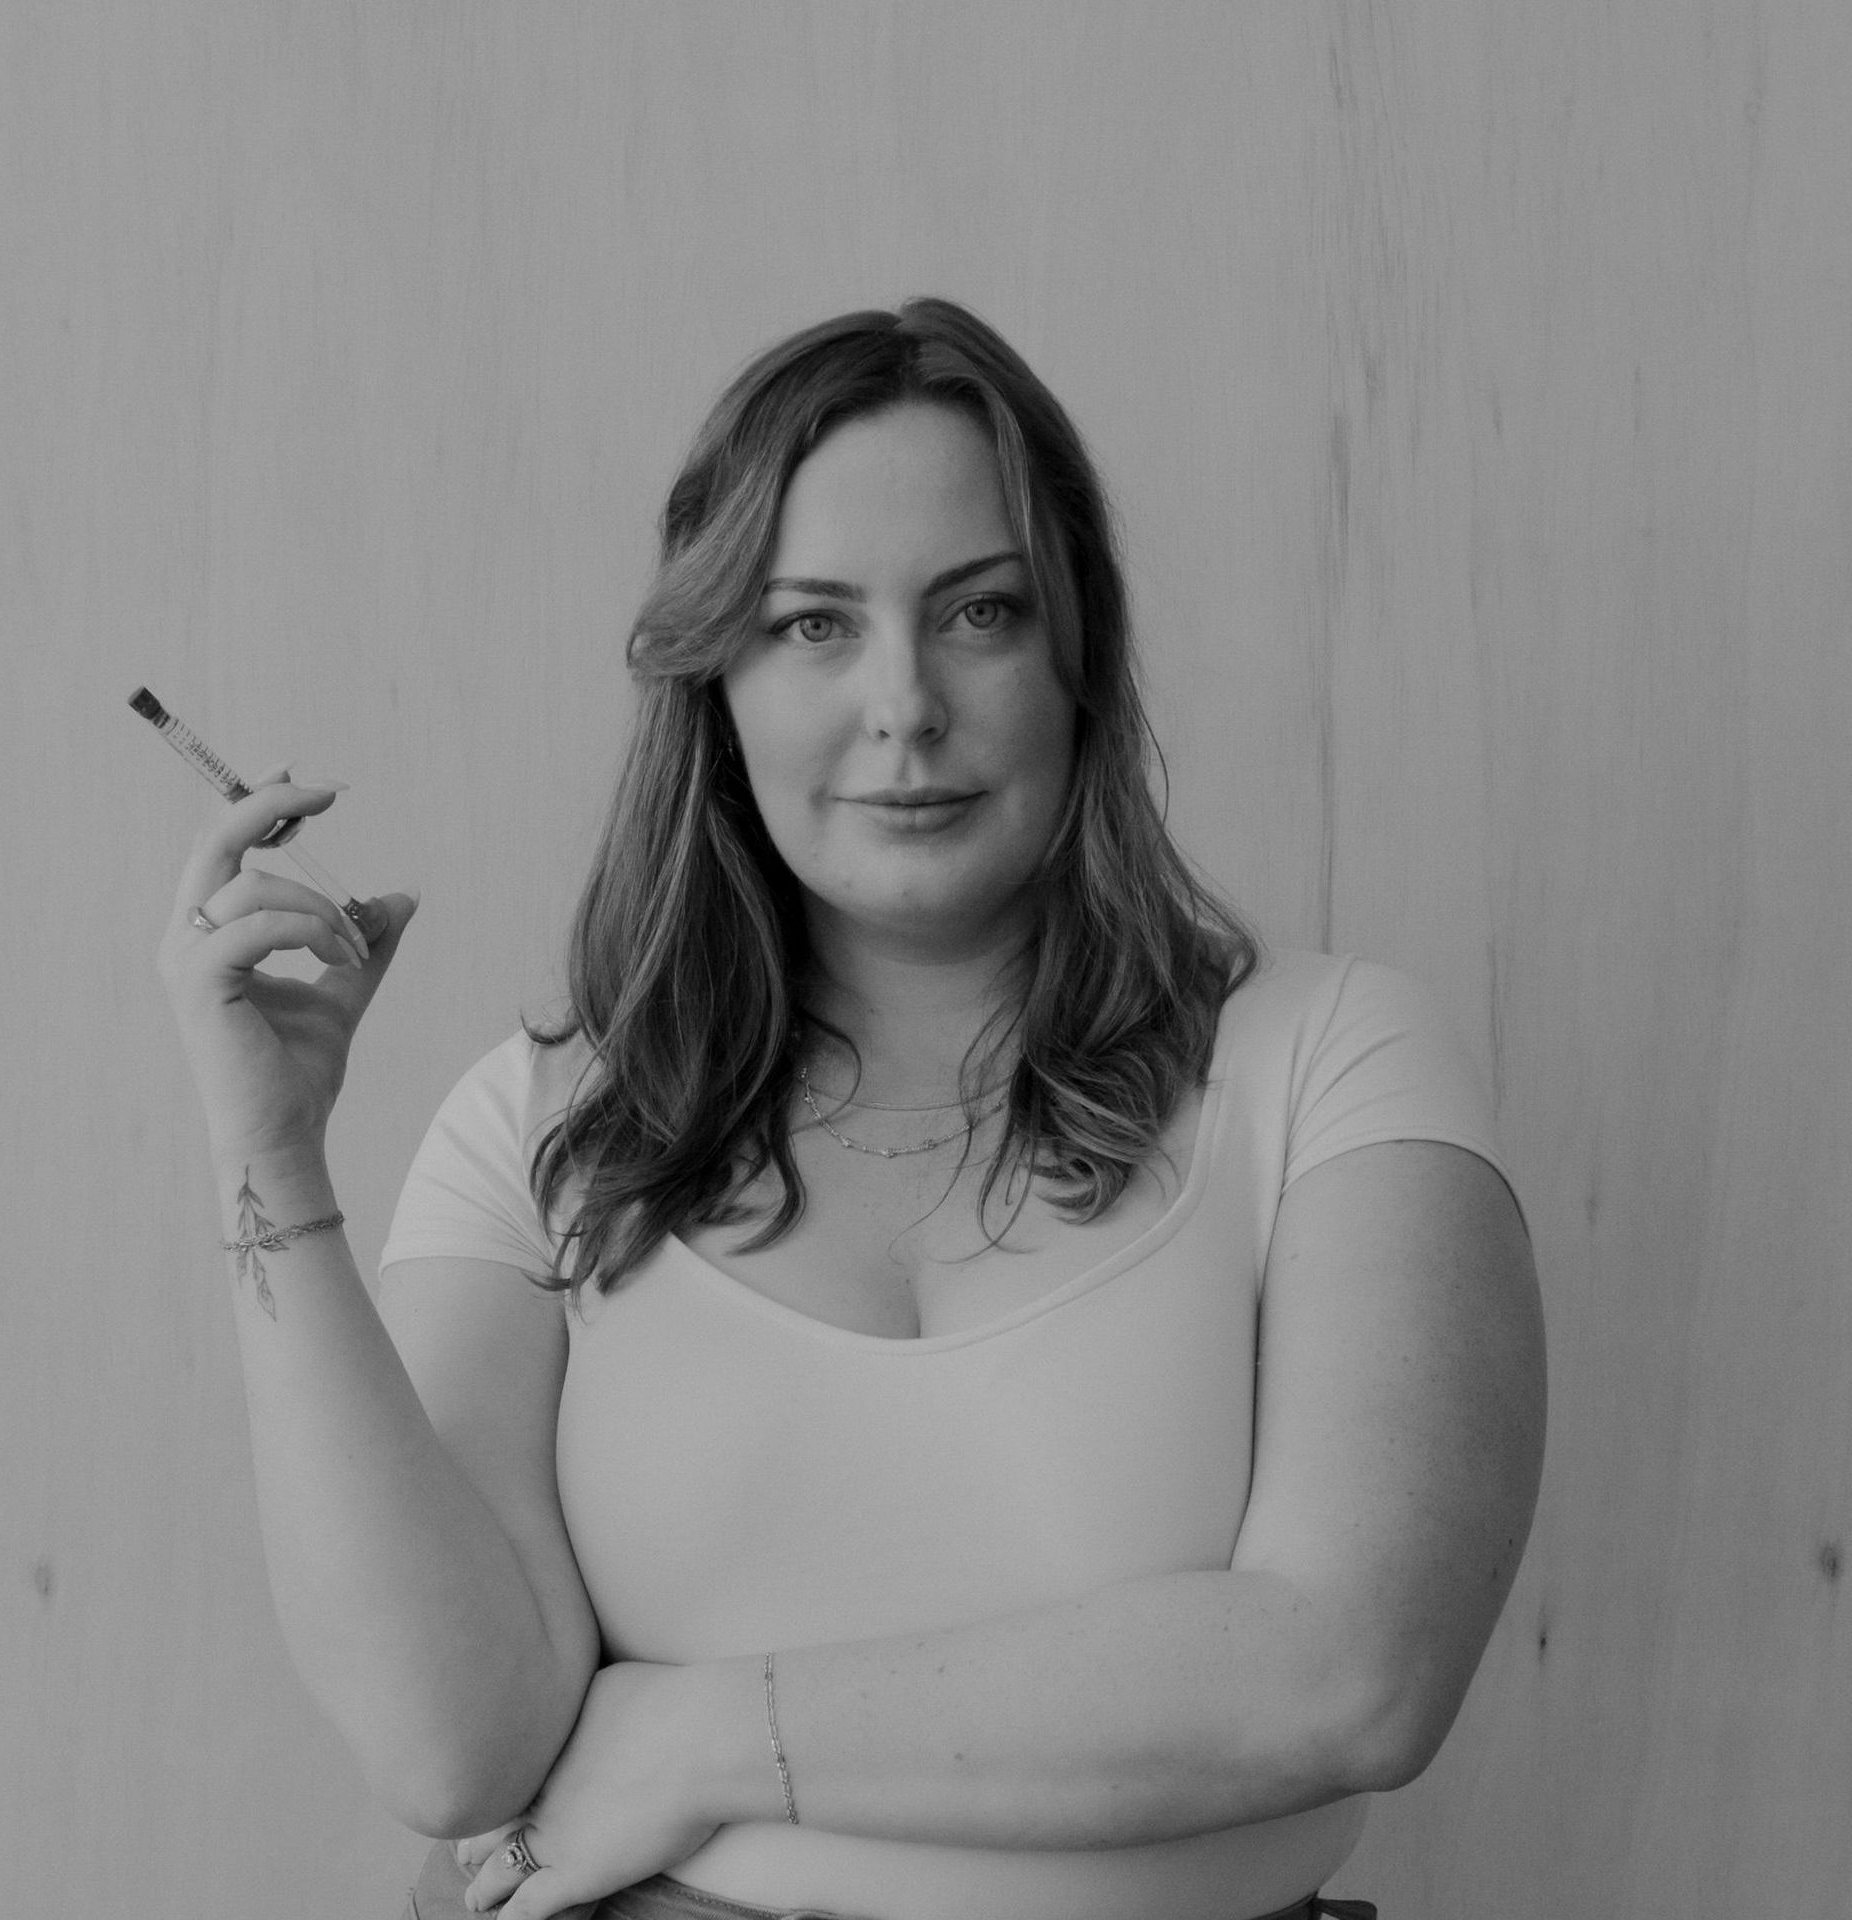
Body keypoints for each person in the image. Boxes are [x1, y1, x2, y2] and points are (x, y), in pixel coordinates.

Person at [158, 298, 1544, 1920]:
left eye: (981, 613)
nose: (904, 707)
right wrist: (271, 1156)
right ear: (718, 683)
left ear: (1080, 660)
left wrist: (697, 1741)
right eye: (814, 625)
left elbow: (1353, 1675)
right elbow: (452, 1748)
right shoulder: (539, 1122)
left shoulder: (1338, 1064)